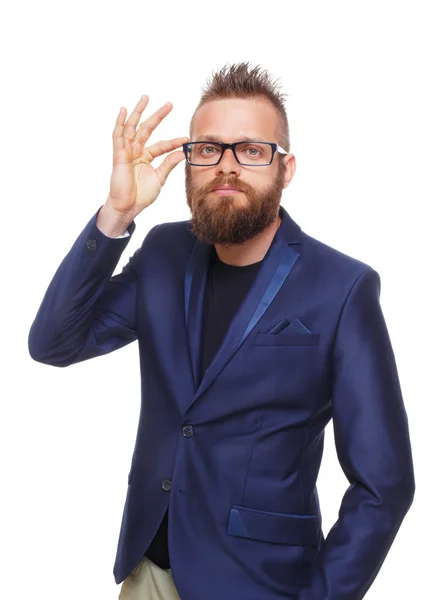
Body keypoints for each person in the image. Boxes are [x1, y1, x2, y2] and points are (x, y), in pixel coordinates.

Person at [28, 62, 415, 600]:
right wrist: (116, 215)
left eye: (251, 150)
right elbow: (53, 343)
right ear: (188, 163)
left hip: (261, 583)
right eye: (208, 149)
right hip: (148, 573)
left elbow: (384, 486)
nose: (226, 166)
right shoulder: (164, 253)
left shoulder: (342, 288)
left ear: (286, 168)